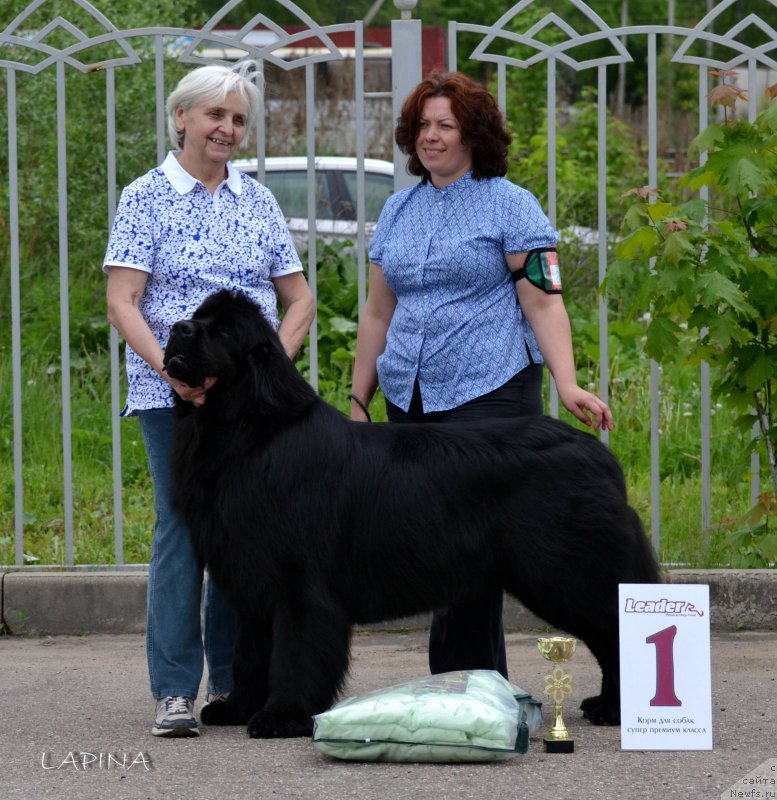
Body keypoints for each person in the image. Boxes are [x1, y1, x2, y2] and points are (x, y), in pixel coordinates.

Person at [349, 70, 613, 680]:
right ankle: (467, 685)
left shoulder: (512, 204)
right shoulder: (396, 209)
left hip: (489, 393)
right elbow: (378, 310)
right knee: (432, 545)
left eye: (446, 125)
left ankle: (467, 687)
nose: (431, 137)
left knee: (476, 545)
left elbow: (544, 301)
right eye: (423, 126)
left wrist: (567, 383)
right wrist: (360, 398)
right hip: (409, 399)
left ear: (475, 135)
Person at [103, 62, 315, 737]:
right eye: (215, 115)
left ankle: (233, 681)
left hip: (247, 404)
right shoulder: (146, 197)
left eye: (238, 119)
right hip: (175, 394)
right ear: (182, 118)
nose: (227, 129)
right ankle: (173, 691)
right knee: (182, 528)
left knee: (244, 533)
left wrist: (265, 370)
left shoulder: (256, 199)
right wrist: (173, 369)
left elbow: (299, 298)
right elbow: (123, 300)